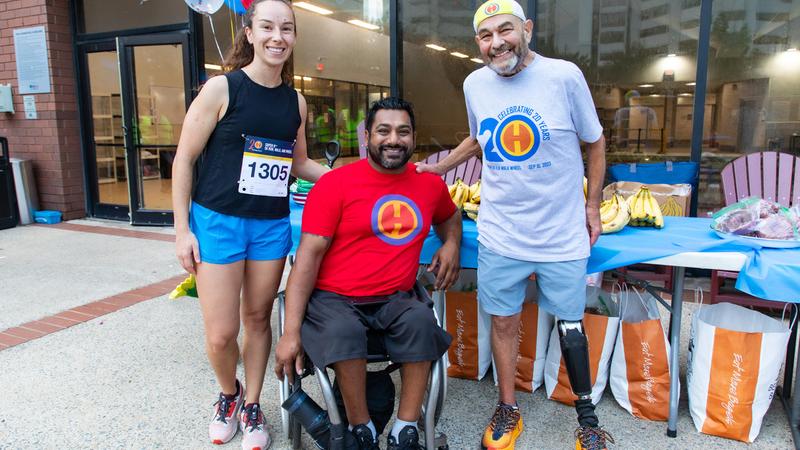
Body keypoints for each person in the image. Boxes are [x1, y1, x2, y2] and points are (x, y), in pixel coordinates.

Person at [416, 1, 613, 449]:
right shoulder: (474, 83)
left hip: (561, 231)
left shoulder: (563, 76)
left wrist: (594, 204)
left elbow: (596, 141)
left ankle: (587, 420)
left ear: (526, 29)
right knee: (502, 322)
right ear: (478, 43)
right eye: (485, 36)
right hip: (501, 231)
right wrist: (442, 167)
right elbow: (480, 137)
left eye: (505, 30)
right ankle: (509, 407)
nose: (496, 42)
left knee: (570, 325)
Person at [171, 1, 327, 448]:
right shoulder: (222, 89)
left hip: (270, 225)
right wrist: (183, 230)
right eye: (268, 27)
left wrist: (344, 177)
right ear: (251, 32)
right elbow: (183, 159)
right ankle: (229, 393)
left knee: (257, 317)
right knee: (221, 333)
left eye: (287, 29)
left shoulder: (294, 101)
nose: (278, 36)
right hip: (217, 222)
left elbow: (297, 163)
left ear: (294, 37)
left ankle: (254, 403)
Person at [274, 97, 462, 450]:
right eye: (384, 131)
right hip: (335, 298)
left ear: (413, 137)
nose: (394, 139)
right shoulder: (335, 184)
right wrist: (290, 333)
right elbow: (307, 260)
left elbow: (449, 216)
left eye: (403, 132)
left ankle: (405, 430)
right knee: (343, 331)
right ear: (367, 138)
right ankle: (362, 430)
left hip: (396, 297)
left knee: (422, 322)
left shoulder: (428, 185)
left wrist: (451, 243)